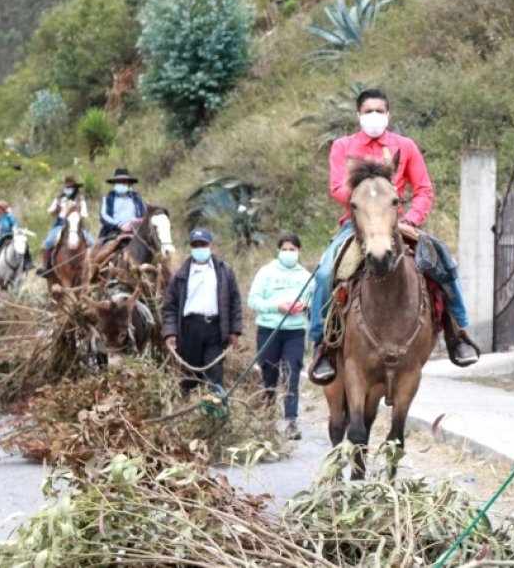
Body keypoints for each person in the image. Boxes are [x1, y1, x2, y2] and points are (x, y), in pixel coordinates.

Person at [307, 88, 479, 384]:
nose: (374, 115)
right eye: (368, 111)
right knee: (324, 273)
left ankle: (458, 333)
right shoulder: (342, 147)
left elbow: (423, 189)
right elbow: (337, 188)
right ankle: (322, 346)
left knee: (443, 260)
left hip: (398, 222)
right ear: (358, 115)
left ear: (388, 114)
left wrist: (411, 219)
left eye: (380, 111)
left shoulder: (405, 146)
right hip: (358, 224)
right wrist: (370, 204)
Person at [247, 232, 314, 439]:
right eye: (284, 249)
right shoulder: (266, 273)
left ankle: (291, 421)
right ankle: (268, 419)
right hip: (269, 330)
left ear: (299, 251)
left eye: (292, 249)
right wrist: (277, 306)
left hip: (294, 332)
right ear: (278, 251)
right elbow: (253, 300)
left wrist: (305, 305)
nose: (288, 253)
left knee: (292, 375)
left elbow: (314, 300)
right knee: (269, 375)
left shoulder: (306, 277)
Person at [161, 227, 243, 393]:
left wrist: (234, 330)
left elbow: (235, 300)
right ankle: (187, 404)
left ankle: (216, 404)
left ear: (211, 246)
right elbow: (170, 306)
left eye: (203, 245)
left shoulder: (224, 271)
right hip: (190, 328)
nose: (200, 249)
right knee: (189, 375)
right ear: (191, 248)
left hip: (215, 328)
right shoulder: (181, 275)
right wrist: (170, 333)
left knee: (214, 373)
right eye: (196, 245)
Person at [39, 175, 94, 276]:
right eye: (66, 187)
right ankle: (46, 267)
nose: (68, 189)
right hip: (61, 224)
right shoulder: (59, 198)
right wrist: (56, 208)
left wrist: (77, 212)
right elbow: (50, 210)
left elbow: (84, 213)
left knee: (92, 242)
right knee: (48, 242)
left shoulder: (80, 199)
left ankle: (92, 266)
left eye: (70, 187)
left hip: (76, 224)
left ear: (74, 188)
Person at [0, 200, 32, 269]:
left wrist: (14, 229)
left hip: (10, 234)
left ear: (2, 209)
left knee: (23, 243)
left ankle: (27, 262)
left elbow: (14, 224)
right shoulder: (1, 216)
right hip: (2, 234)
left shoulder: (10, 216)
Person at [99, 167, 147, 239]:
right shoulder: (106, 199)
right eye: (118, 182)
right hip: (114, 232)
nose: (121, 184)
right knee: (102, 246)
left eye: (123, 181)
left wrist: (138, 221)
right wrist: (119, 225)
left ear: (128, 183)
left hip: (136, 232)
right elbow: (103, 216)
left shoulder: (138, 199)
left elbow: (146, 215)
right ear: (114, 184)